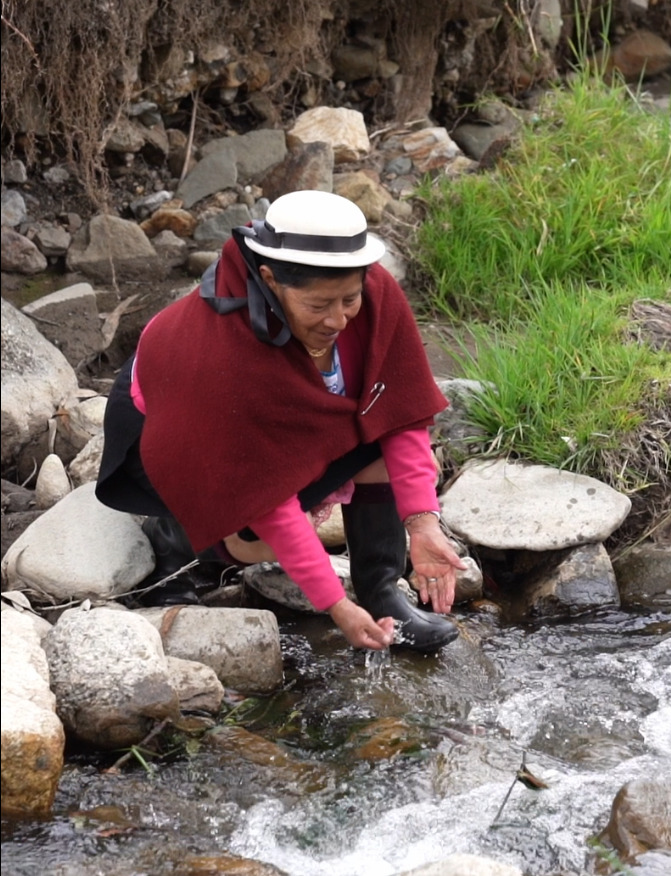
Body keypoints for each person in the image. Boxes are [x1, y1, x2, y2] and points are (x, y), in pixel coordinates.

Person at [96, 189, 465, 653]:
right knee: (255, 538)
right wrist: (334, 605)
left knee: (377, 444)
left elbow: (399, 413)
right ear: (270, 279)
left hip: (282, 419)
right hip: (170, 432)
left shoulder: (374, 295)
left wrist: (422, 524)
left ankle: (382, 594)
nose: (338, 320)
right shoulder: (227, 351)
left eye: (348, 300)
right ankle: (177, 541)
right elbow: (266, 495)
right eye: (318, 306)